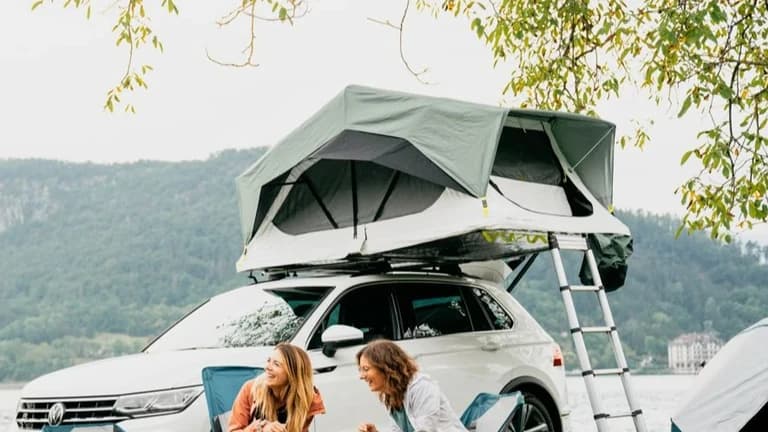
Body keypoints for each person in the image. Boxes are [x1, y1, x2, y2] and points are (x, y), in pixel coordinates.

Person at [356, 339, 468, 432]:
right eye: (361, 370)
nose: (361, 376)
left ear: (386, 368)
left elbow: (426, 430)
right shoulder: (391, 395)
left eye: (366, 369)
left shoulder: (422, 387)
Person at [229, 342, 325, 432]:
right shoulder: (251, 389)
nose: (267, 367)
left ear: (293, 374)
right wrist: (260, 428)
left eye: (276, 364)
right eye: (268, 361)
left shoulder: (306, 399)